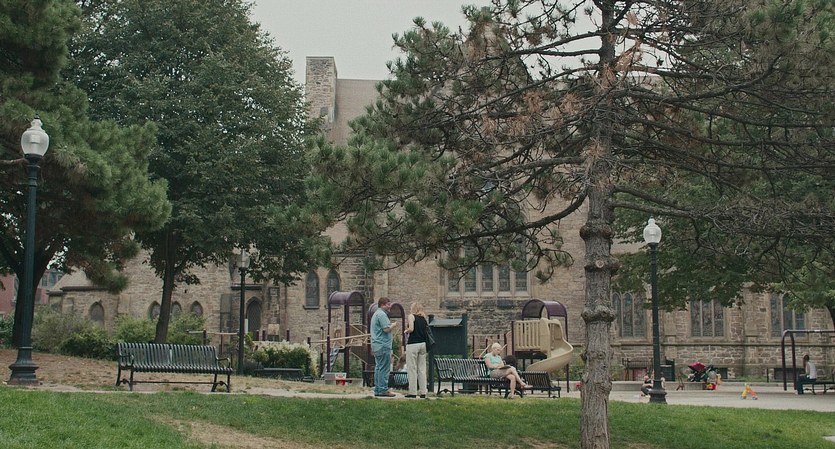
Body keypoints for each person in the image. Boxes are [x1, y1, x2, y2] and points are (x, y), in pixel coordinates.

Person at [370, 297, 398, 397]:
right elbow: (386, 329)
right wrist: (393, 325)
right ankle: (383, 390)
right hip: (383, 345)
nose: (390, 306)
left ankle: (378, 389)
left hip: (376, 345)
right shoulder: (382, 314)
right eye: (388, 304)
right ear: (382, 305)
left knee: (378, 367)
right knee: (384, 368)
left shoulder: (376, 314)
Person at [404, 302, 430, 398]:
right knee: (422, 369)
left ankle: (413, 392)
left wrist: (406, 331)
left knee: (412, 368)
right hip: (423, 344)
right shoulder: (423, 319)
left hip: (413, 344)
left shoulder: (411, 316)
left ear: (413, 308)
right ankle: (423, 392)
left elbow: (411, 329)